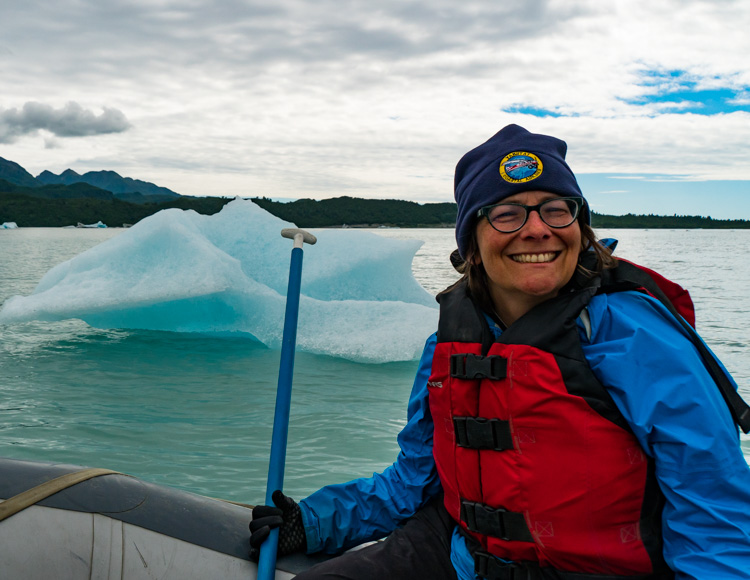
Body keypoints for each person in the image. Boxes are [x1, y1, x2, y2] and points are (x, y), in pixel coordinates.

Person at [249, 124, 750, 579]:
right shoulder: (451, 338)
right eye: (507, 213)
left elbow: (715, 516)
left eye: (556, 208)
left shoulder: (637, 338)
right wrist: (313, 522)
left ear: (580, 225)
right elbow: (416, 480)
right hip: (460, 554)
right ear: (473, 239)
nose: (537, 229)